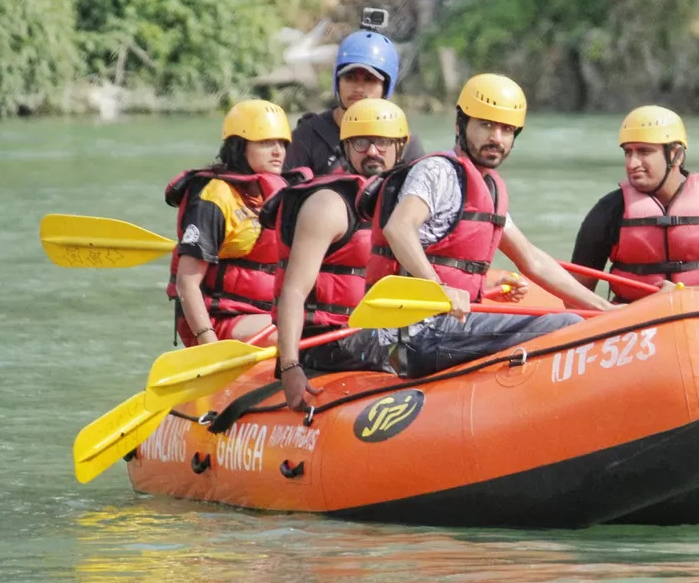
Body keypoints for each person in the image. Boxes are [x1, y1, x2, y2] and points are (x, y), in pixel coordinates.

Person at [279, 74, 617, 406]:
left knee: (576, 319)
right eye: (485, 125)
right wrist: (437, 287)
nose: (496, 138)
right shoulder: (438, 172)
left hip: (443, 329)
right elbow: (400, 228)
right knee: (566, 325)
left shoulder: (490, 188)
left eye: (506, 130)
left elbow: (532, 259)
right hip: (410, 335)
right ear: (460, 125)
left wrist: (602, 309)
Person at [262, 98, 409, 371]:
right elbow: (293, 291)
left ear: (400, 147)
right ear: (345, 148)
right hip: (326, 343)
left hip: (373, 334)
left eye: (383, 142)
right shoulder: (328, 204)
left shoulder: (404, 202)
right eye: (361, 143)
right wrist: (290, 367)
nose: (373, 152)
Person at [165, 100, 310, 347]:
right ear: (239, 146)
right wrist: (208, 344)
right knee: (295, 335)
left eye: (281, 143)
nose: (278, 151)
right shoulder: (214, 197)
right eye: (266, 143)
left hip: (265, 315)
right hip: (218, 320)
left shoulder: (277, 191)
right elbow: (186, 283)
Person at [570, 106, 699, 302]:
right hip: (631, 319)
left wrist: (685, 296)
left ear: (676, 155)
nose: (632, 163)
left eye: (644, 152)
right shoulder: (609, 209)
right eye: (628, 152)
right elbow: (574, 294)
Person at [284, 23, 424, 176]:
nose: (358, 88)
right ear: (338, 82)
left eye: (369, 80)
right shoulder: (307, 137)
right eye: (350, 78)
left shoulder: (405, 144)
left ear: (386, 87)